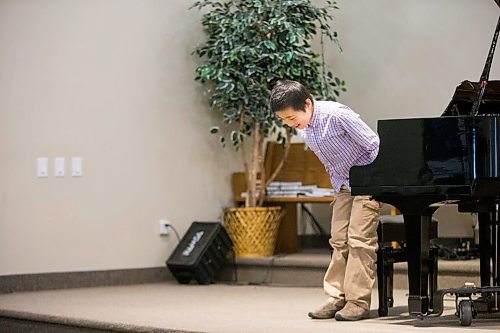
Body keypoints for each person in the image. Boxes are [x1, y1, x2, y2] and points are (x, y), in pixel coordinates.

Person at [270, 80, 380, 321]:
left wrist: (375, 184)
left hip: (366, 184)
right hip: (342, 186)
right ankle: (337, 297)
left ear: (307, 103)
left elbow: (374, 145)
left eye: (291, 117)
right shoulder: (305, 127)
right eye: (284, 120)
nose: (290, 124)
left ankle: (358, 302)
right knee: (339, 240)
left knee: (359, 241)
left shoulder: (337, 115)